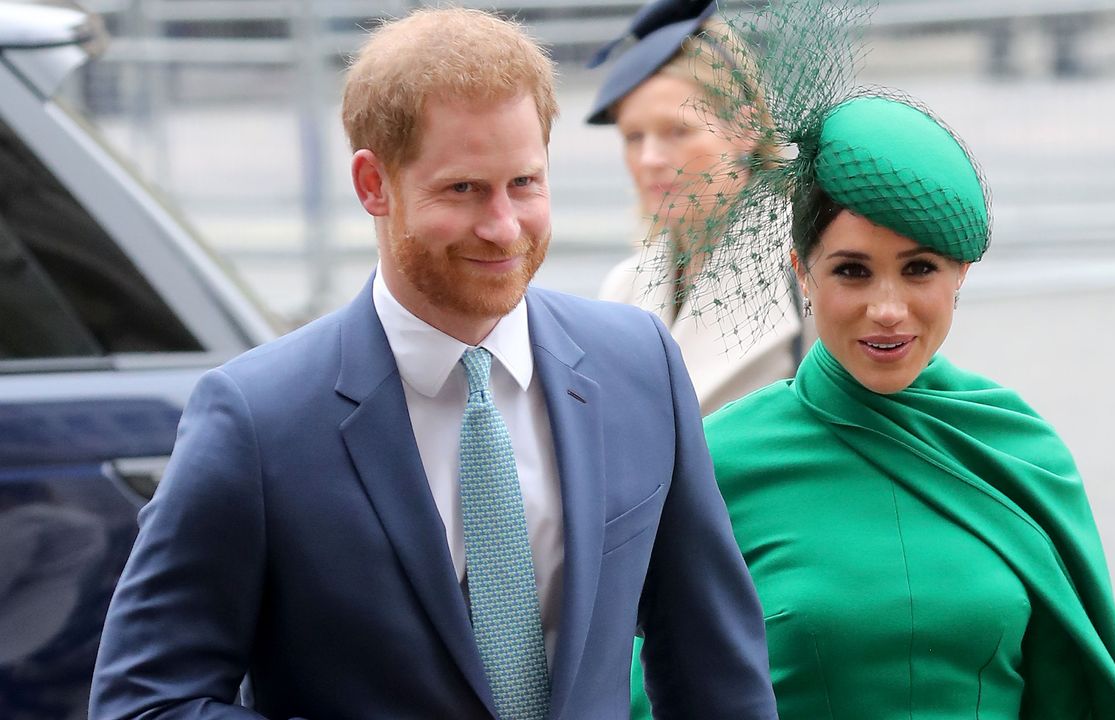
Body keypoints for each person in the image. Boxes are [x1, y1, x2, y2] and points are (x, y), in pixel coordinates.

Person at [88, 8, 776, 720]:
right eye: (464, 189)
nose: (504, 227)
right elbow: (141, 705)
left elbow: (715, 675)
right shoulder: (257, 420)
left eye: (525, 184)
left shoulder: (638, 365)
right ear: (371, 185)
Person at [630, 1, 1115, 717]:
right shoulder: (718, 465)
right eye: (851, 271)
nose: (887, 308)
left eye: (919, 269)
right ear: (801, 273)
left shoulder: (1022, 451)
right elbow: (655, 692)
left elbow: (1077, 695)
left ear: (960, 274)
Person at [588, 0, 810, 415]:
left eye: (678, 131)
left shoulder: (810, 269)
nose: (650, 158)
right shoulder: (623, 288)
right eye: (634, 137)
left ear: (746, 128)